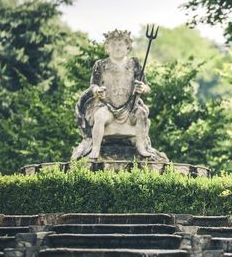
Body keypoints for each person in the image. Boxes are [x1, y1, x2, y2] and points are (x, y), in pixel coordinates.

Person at [71, 29, 167, 161]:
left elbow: (147, 87)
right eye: (113, 45)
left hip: (130, 108)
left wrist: (142, 88)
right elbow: (93, 85)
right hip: (107, 106)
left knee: (141, 114)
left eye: (121, 44)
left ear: (128, 47)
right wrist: (97, 90)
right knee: (99, 116)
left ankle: (141, 146)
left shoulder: (134, 64)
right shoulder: (101, 65)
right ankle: (95, 148)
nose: (117, 48)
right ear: (107, 47)